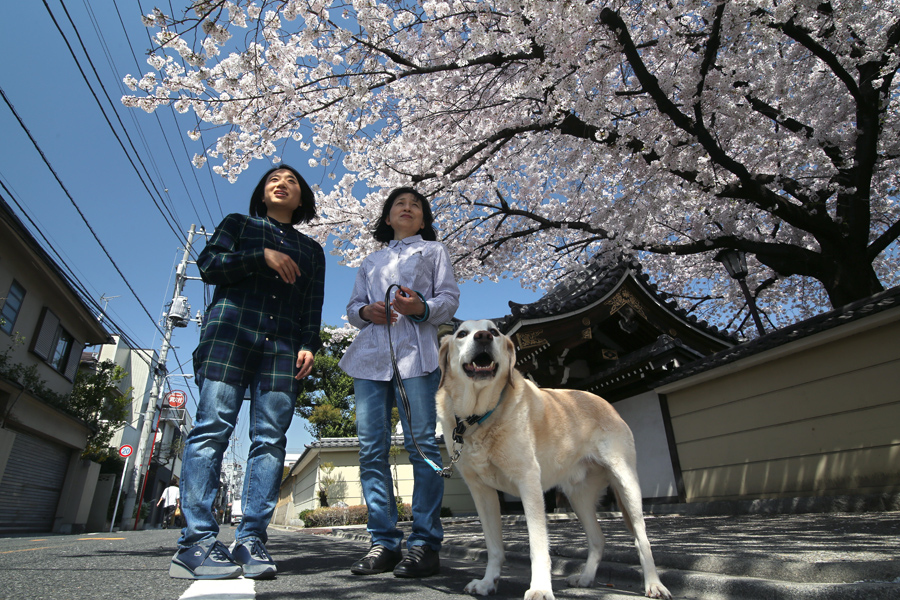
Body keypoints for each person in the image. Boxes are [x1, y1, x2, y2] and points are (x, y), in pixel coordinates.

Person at [169, 164, 325, 581]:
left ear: (302, 198)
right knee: (211, 428)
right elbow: (209, 265)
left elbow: (312, 305)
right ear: (261, 191)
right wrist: (260, 256)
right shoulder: (238, 224)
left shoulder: (312, 251)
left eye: (292, 180)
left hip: (283, 346)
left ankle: (251, 538)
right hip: (229, 334)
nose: (282, 183)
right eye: (274, 178)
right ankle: (196, 541)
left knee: (271, 440)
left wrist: (310, 343)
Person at [339, 187, 460, 578]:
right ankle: (383, 542)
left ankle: (425, 543)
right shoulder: (371, 260)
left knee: (422, 444)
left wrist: (420, 308)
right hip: (370, 359)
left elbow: (449, 298)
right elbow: (353, 307)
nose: (407, 209)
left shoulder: (434, 251)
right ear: (387, 218)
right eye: (398, 205)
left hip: (417, 356)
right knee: (371, 449)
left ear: (423, 220)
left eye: (415, 206)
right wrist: (365, 311)